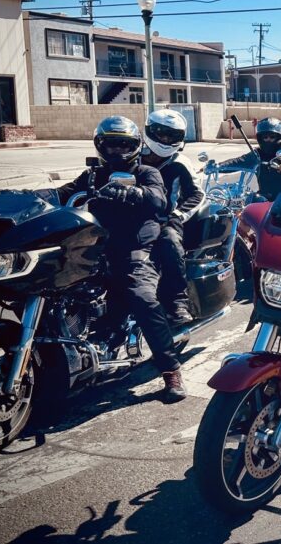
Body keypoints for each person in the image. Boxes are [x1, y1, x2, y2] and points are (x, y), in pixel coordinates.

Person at [54, 116, 186, 402]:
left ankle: (170, 370)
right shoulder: (92, 176)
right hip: (93, 251)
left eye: (123, 145)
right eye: (110, 145)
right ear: (100, 146)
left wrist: (134, 192)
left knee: (142, 298)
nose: (116, 152)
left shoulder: (146, 171)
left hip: (134, 251)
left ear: (135, 146)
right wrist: (30, 196)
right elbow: (64, 192)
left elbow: (158, 199)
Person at [141, 109, 203, 326]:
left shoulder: (179, 162)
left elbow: (197, 194)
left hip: (165, 220)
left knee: (170, 241)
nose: (166, 140)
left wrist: (177, 215)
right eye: (161, 133)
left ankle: (178, 301)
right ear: (149, 131)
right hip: (131, 218)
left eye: (172, 135)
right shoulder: (134, 156)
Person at [218, 117, 281, 202]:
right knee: (250, 202)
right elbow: (239, 161)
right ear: (260, 138)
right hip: (264, 196)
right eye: (265, 137)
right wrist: (217, 166)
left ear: (279, 137)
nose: (268, 140)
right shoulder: (258, 153)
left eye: (272, 137)